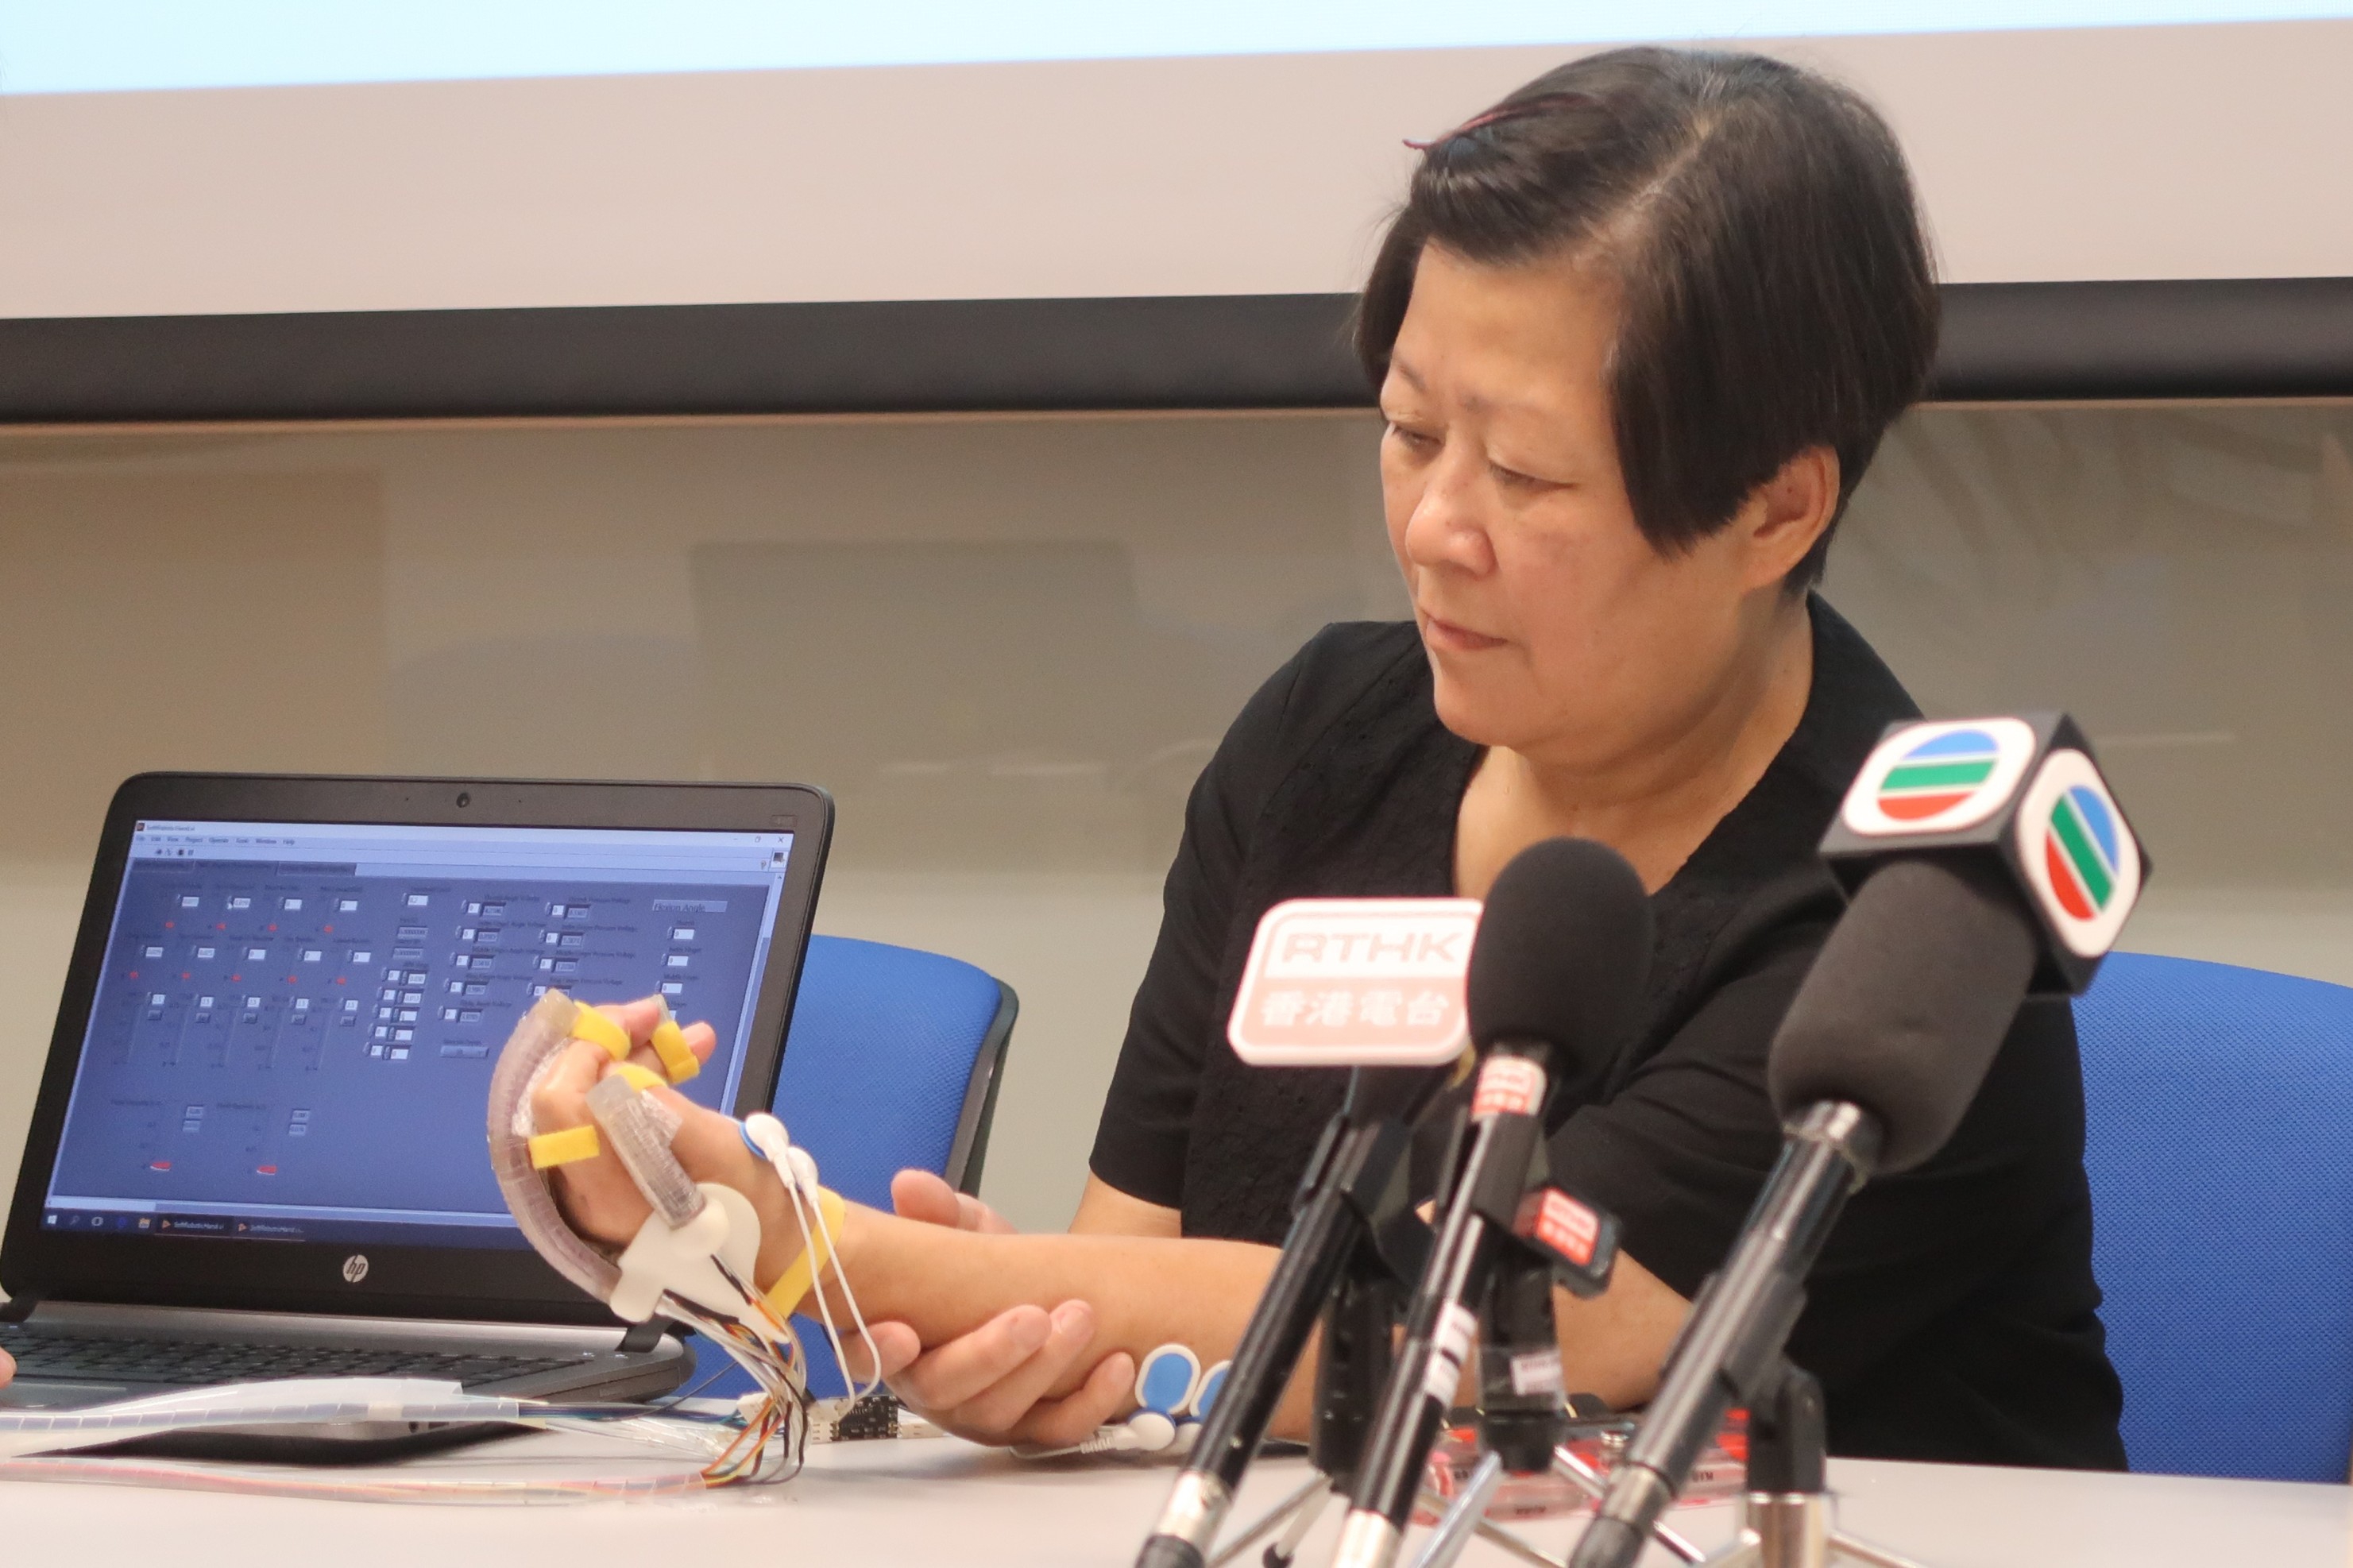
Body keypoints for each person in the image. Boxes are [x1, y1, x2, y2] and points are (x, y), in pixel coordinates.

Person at [531, 46, 2127, 1469]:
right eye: (1408, 430)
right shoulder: (1323, 741)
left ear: (1774, 507)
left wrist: (803, 1238)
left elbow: (1508, 1320)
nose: (1433, 529)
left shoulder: (1912, 902)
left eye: (1520, 471)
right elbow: (1143, 1259)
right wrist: (1037, 1347)